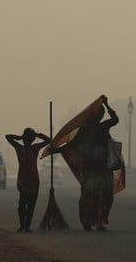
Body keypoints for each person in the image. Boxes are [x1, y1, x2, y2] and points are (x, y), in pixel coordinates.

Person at [51, 95, 119, 231]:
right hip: (91, 167)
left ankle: (100, 221)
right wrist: (56, 150)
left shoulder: (104, 126)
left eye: (102, 113)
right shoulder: (84, 130)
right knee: (88, 195)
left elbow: (115, 119)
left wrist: (106, 104)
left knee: (105, 195)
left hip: (104, 167)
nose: (100, 115)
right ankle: (87, 221)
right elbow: (71, 145)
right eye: (98, 113)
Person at [5, 128, 51, 233]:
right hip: (26, 181)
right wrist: (22, 137)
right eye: (27, 138)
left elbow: (49, 140)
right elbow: (7, 136)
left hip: (31, 181)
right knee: (24, 205)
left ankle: (25, 226)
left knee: (28, 205)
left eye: (29, 138)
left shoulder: (31, 148)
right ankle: (24, 226)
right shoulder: (21, 147)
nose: (27, 141)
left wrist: (26, 136)